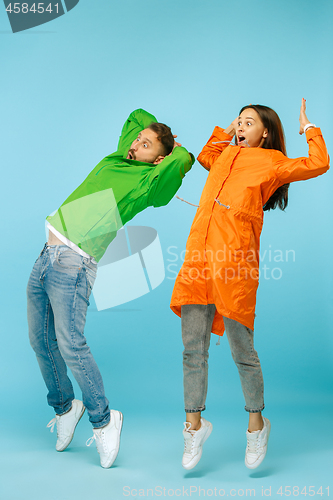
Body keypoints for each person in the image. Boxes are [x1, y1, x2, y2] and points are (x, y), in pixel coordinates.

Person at [27, 108, 194, 468]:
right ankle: (65, 407)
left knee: (71, 344)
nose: (136, 144)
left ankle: (104, 420)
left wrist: (174, 148)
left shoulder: (147, 185)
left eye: (146, 144)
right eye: (137, 139)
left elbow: (183, 159)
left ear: (159, 159)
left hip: (74, 264)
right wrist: (148, 135)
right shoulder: (118, 158)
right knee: (41, 340)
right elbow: (137, 115)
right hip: (47, 255)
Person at [170, 99, 329, 470]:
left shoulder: (272, 162)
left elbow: (319, 163)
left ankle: (257, 424)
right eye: (239, 122)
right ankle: (194, 425)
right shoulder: (223, 155)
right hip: (198, 261)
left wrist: (308, 128)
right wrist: (226, 132)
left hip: (234, 267)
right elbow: (208, 155)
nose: (241, 127)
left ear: (266, 132)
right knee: (193, 349)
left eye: (249, 122)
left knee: (242, 350)